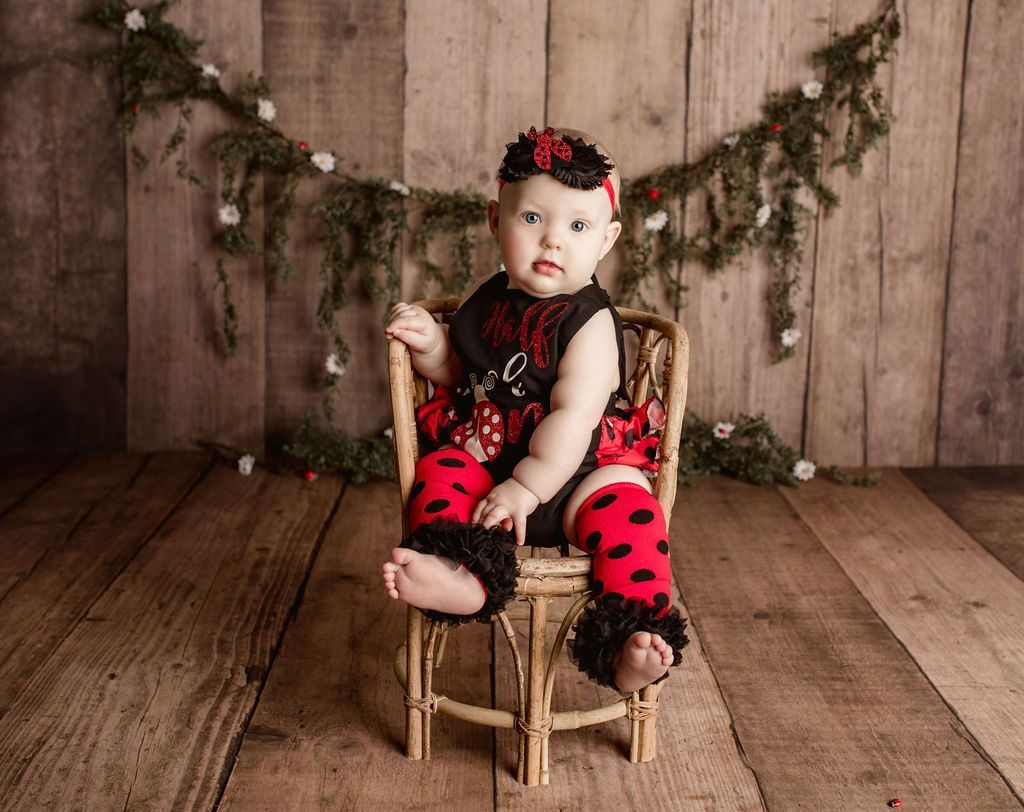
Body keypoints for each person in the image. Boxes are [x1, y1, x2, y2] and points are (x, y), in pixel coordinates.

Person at [382, 126, 688, 693]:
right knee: (441, 470)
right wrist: (432, 346)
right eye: (532, 220)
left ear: (606, 240)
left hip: (577, 481)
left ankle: (631, 639)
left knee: (634, 512)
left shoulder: (590, 323)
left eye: (576, 226)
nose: (552, 242)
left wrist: (527, 488)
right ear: (496, 221)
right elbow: (464, 376)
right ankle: (460, 570)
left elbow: (573, 418)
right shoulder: (487, 300)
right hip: (490, 472)